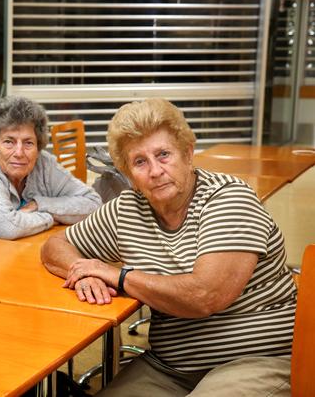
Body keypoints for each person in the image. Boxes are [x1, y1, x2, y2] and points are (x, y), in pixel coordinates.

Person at [41, 98, 296, 396]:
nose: (155, 171)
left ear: (188, 154)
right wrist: (86, 272)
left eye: (163, 155)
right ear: (128, 173)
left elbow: (205, 295)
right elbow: (55, 245)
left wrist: (120, 276)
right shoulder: (127, 209)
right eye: (139, 162)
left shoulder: (228, 199)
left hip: (257, 357)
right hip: (172, 365)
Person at [0, 95, 102, 241]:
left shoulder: (43, 163)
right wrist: (51, 218)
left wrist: (39, 204)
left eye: (28, 143)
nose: (19, 153)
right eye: (9, 142)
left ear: (38, 146)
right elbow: (5, 228)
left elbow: (94, 204)